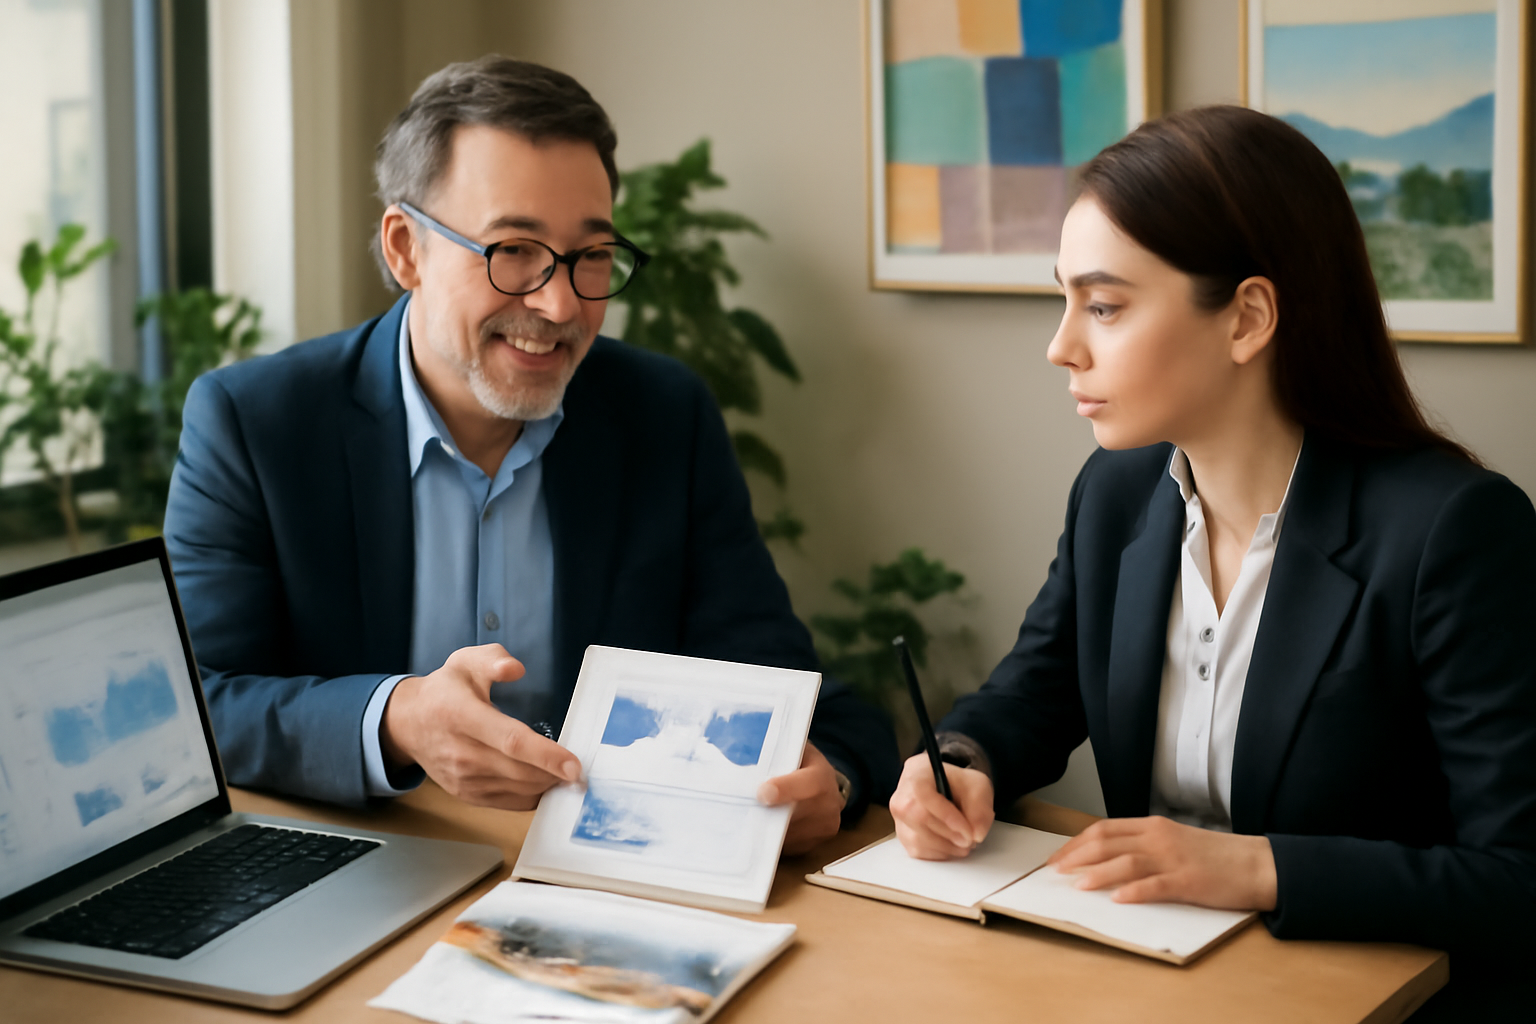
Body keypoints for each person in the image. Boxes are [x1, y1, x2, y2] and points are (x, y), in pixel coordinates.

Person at [888, 105, 1536, 1017]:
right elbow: (1036, 692)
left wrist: (1259, 866)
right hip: (1148, 979)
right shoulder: (1115, 493)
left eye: (1104, 306)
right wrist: (958, 756)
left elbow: (1516, 878)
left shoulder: (1456, 532)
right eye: (1066, 299)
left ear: (1248, 318)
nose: (1061, 345)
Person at [163, 56, 897, 855]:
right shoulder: (255, 423)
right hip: (365, 871)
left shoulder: (662, 416)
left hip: (614, 879)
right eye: (513, 250)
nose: (558, 304)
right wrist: (394, 720)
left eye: (590, 257)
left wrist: (834, 778)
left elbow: (784, 692)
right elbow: (199, 706)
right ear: (406, 248)